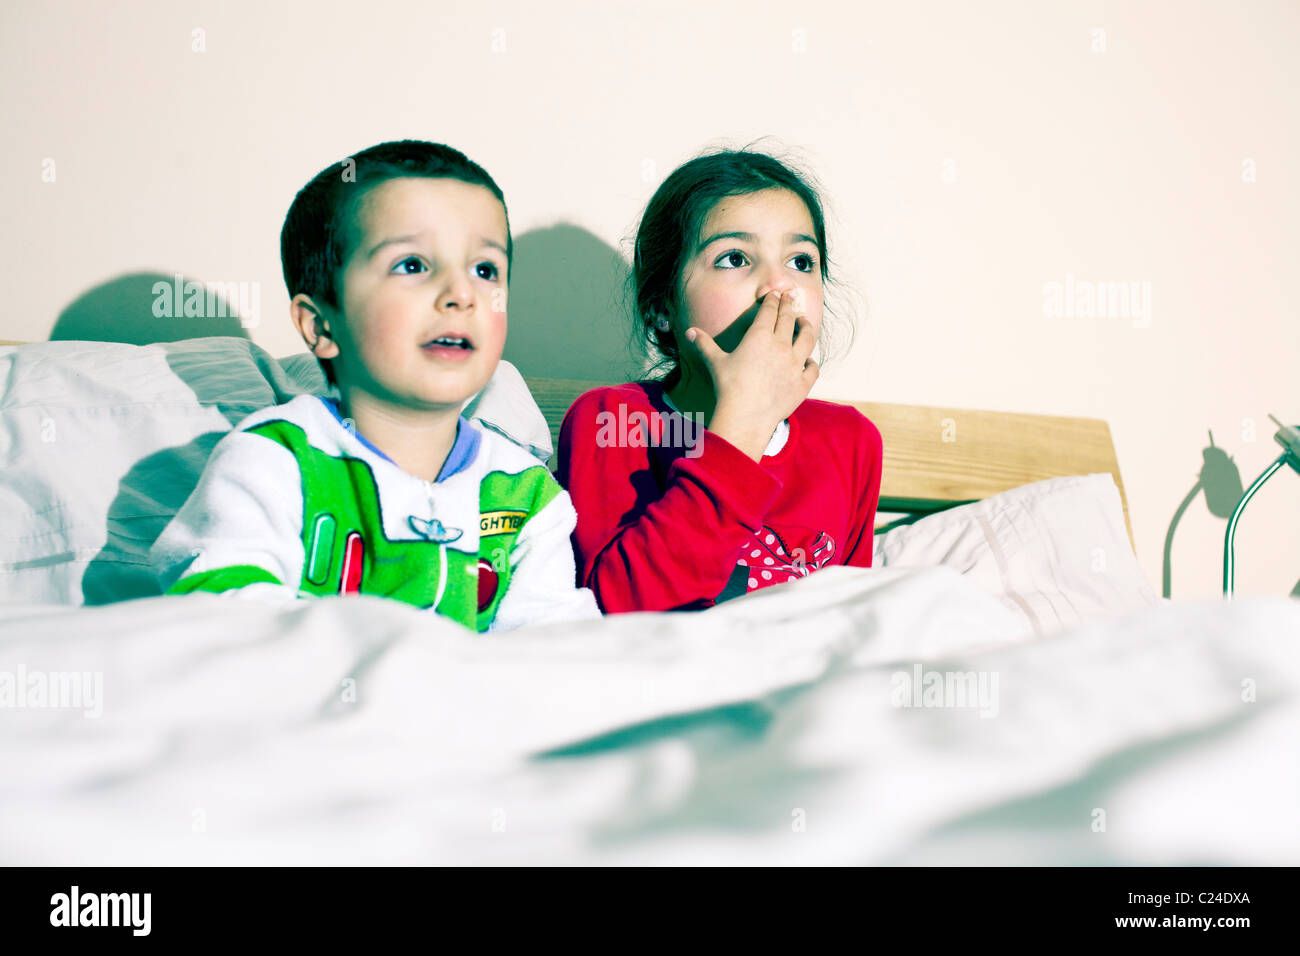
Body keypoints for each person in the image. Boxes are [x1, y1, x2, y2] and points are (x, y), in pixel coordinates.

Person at [150, 140, 599, 631]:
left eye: (485, 270)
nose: (461, 294)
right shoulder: (275, 459)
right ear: (322, 327)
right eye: (412, 265)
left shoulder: (528, 494)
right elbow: (219, 621)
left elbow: (559, 652)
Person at [557, 148, 884, 612]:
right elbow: (620, 612)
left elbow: (849, 623)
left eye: (802, 261)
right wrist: (742, 424)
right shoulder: (616, 421)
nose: (779, 286)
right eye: (734, 258)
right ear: (662, 307)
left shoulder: (851, 441)